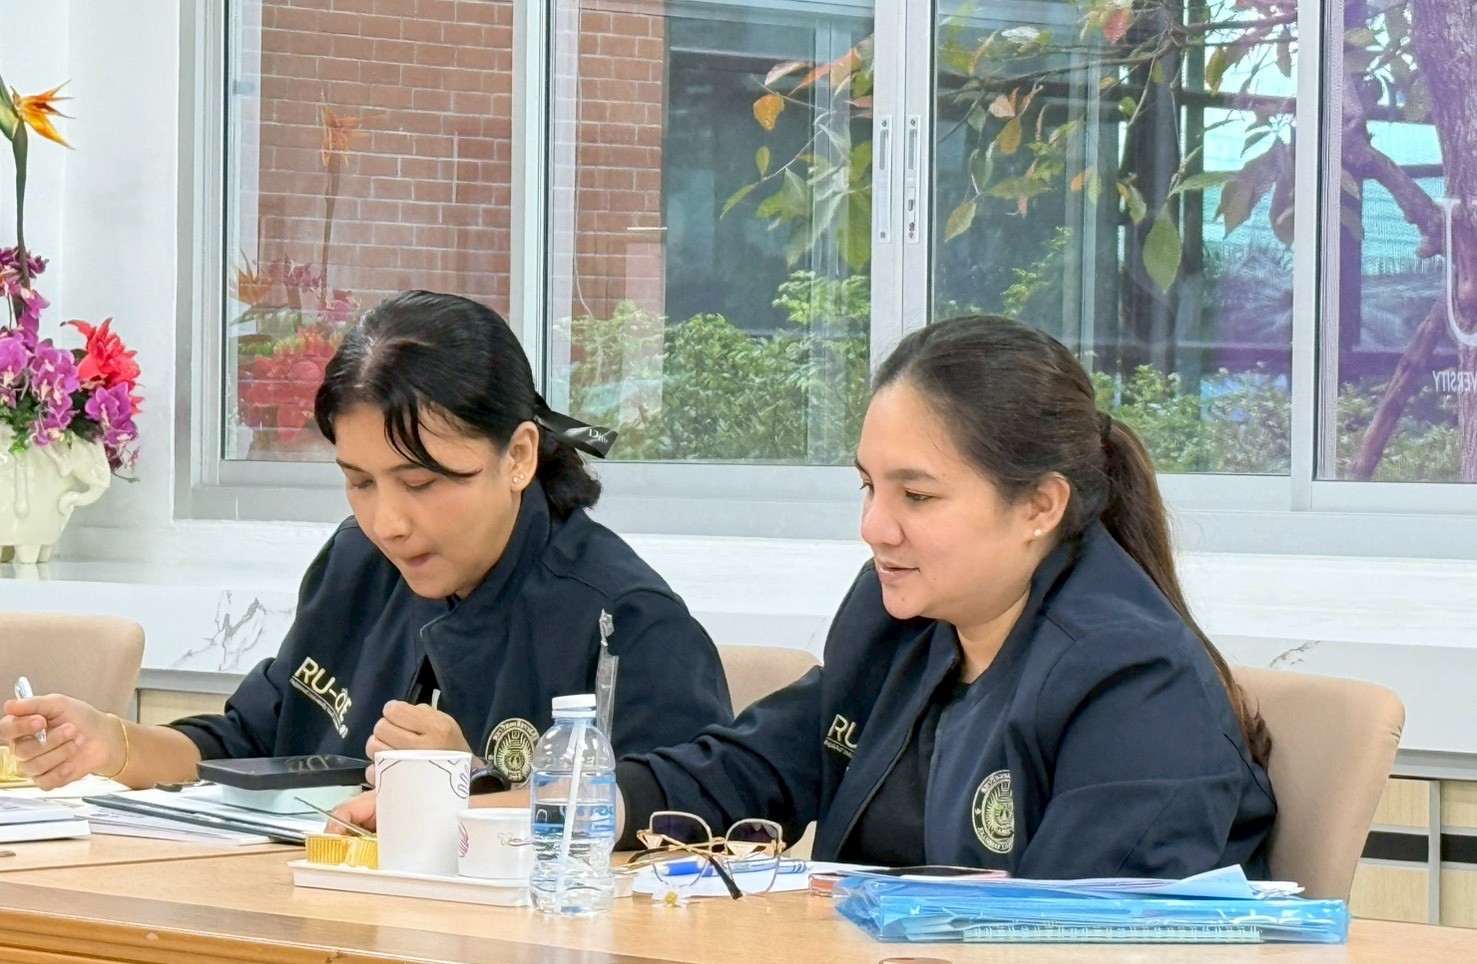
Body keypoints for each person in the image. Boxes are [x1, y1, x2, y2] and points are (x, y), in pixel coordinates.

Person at [614, 315, 1277, 878]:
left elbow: (1067, 938)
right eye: (869, 487)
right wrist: (591, 804)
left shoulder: (1135, 683)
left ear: (1040, 505)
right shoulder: (897, 619)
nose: (875, 527)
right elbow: (758, 766)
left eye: (917, 495)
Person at [0, 291, 733, 791]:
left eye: (421, 483)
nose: (388, 523)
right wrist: (112, 744)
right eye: (359, 481)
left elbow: (683, 843)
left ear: (517, 457)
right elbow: (250, 744)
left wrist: (478, 785)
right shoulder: (358, 563)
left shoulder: (625, 621)